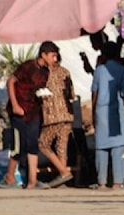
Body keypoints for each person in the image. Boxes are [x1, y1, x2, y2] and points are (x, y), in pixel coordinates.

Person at [0, 41, 57, 190]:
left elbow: (38, 89)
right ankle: (9, 177)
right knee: (20, 146)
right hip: (19, 112)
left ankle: (32, 181)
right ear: (43, 55)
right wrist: (15, 104)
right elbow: (11, 82)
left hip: (34, 112)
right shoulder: (28, 66)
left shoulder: (46, 72)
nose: (55, 59)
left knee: (32, 145)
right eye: (53, 56)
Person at [90, 41, 124, 190]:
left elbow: (94, 93)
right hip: (117, 110)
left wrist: (93, 113)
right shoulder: (123, 70)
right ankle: (118, 182)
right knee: (118, 146)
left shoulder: (99, 70)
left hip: (100, 111)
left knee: (101, 146)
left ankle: (101, 182)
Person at [39, 50, 75, 187]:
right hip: (67, 114)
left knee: (43, 144)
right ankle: (62, 177)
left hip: (52, 115)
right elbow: (71, 94)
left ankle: (63, 172)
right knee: (61, 146)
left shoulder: (44, 73)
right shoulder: (65, 72)